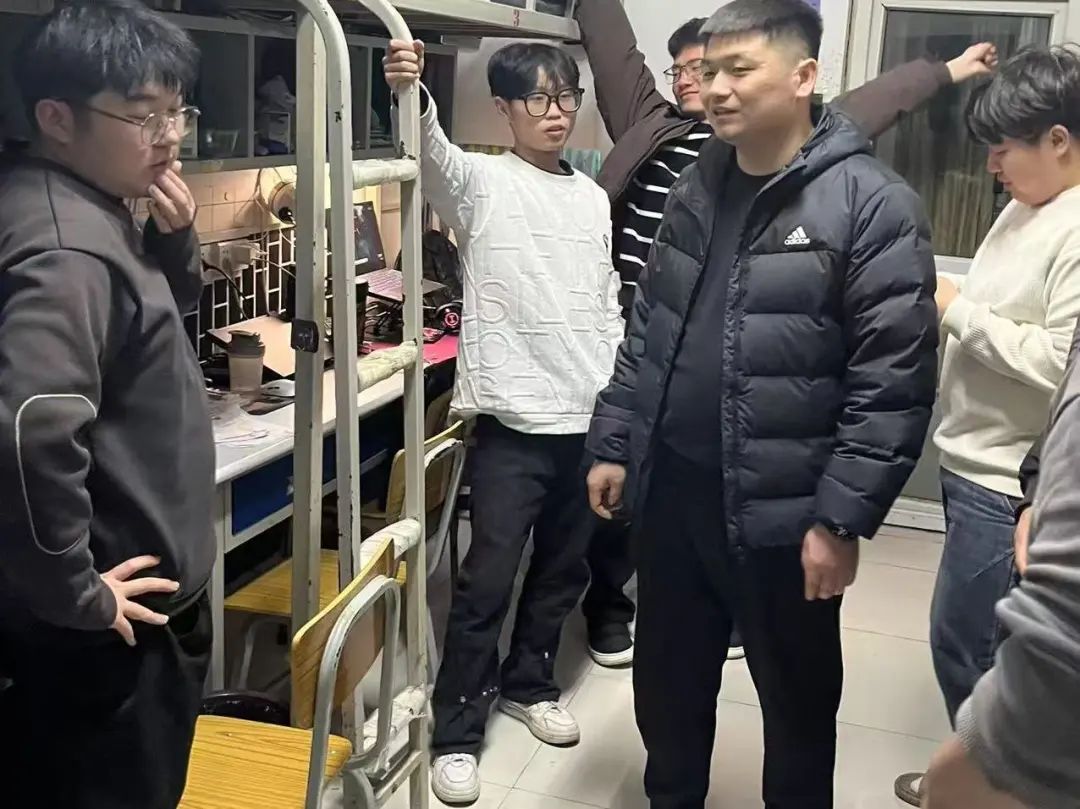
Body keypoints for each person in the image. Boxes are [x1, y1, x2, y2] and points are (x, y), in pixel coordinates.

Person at [584, 1, 939, 806]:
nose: (715, 88)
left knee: (798, 704)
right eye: (709, 70)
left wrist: (841, 520)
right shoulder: (697, 184)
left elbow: (892, 382)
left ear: (804, 76)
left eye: (739, 69)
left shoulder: (871, 204)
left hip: (787, 511)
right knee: (668, 686)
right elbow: (651, 327)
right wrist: (613, 437)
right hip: (673, 493)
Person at [383, 38, 624, 806]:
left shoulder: (591, 197)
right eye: (538, 98)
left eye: (566, 96)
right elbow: (432, 154)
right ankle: (456, 731)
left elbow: (606, 300)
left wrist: (617, 399)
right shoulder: (483, 182)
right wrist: (411, 88)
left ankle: (529, 684)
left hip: (586, 420)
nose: (556, 112)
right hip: (512, 423)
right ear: (504, 108)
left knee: (560, 572)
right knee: (485, 581)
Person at [0, 2, 213, 808]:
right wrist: (76, 592)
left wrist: (173, 241)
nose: (169, 136)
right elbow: (29, 432)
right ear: (57, 119)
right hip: (115, 633)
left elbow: (149, 325)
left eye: (177, 112)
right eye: (143, 115)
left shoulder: (94, 204)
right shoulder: (66, 244)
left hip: (120, 616)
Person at [893, 44, 1080, 807]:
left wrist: (956, 309)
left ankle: (983, 787)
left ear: (1059, 140)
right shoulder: (1029, 205)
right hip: (973, 462)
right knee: (968, 639)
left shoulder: (1075, 227)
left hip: (1009, 482)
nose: (992, 164)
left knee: (969, 646)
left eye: (1004, 148)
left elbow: (1062, 362)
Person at [921, 317, 1080, 809]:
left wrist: (986, 761)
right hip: (990, 474)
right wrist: (1037, 484)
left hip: (996, 481)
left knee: (975, 655)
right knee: (956, 644)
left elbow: (1063, 637)